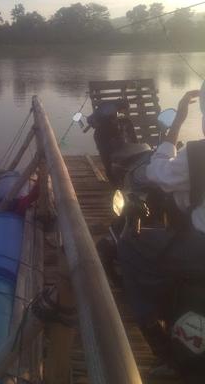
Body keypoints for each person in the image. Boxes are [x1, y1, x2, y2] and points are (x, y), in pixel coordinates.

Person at [117, 86, 205, 371]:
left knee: (130, 246)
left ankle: (155, 334)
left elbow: (157, 174)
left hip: (199, 247)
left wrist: (177, 123)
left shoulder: (196, 154)